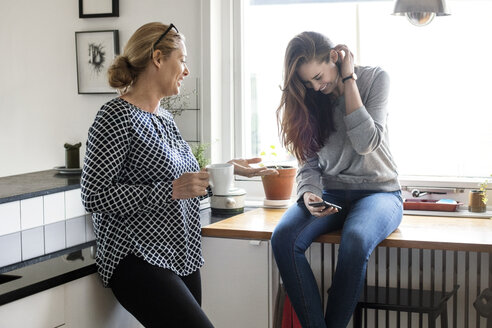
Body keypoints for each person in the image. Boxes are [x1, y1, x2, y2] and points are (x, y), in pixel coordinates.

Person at [80, 22, 276, 328]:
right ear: (158, 58)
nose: (185, 70)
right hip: (136, 258)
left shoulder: (165, 118)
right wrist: (169, 190)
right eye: (182, 60)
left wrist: (224, 170)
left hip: (179, 253)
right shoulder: (114, 117)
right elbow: (94, 195)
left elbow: (185, 183)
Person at [270, 31, 403, 328]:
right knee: (283, 239)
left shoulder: (374, 79)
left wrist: (348, 80)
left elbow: (366, 142)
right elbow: (309, 160)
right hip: (330, 192)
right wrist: (308, 194)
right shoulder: (312, 98)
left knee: (355, 241)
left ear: (334, 57)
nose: (316, 87)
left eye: (318, 76)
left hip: (379, 193)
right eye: (308, 82)